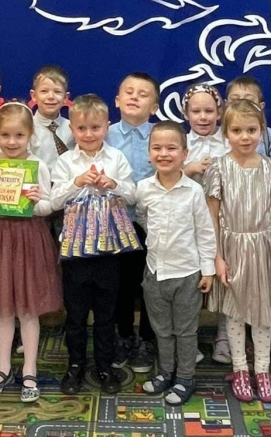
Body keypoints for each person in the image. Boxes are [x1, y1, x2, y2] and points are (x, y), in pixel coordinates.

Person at [0, 103, 61, 402]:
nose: (12, 141)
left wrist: (36, 201)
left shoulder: (38, 166)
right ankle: (3, 366)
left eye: (19, 135)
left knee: (28, 309)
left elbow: (47, 207)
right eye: (5, 135)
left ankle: (30, 368)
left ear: (31, 136)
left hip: (29, 239)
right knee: (3, 308)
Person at [49, 94, 135, 395]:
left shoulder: (116, 158)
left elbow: (133, 195)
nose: (88, 134)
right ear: (72, 129)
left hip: (109, 250)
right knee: (75, 315)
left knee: (105, 314)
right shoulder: (65, 162)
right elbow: (54, 201)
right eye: (82, 128)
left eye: (95, 128)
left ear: (107, 127)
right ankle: (75, 364)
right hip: (75, 251)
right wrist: (77, 183)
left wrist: (114, 184)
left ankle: (105, 365)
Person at [206, 98, 271, 403]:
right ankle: (240, 368)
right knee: (236, 311)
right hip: (232, 247)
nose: (244, 137)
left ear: (262, 130)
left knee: (263, 312)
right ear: (226, 133)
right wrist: (217, 257)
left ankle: (262, 370)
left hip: (264, 247)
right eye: (237, 130)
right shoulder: (218, 168)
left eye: (251, 130)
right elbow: (211, 215)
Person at [136, 121, 216, 405]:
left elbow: (205, 232)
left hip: (187, 274)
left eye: (171, 148)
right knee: (161, 330)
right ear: (149, 153)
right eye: (157, 148)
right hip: (155, 273)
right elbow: (143, 219)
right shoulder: (144, 189)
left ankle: (185, 378)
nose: (164, 154)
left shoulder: (193, 191)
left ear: (184, 154)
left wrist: (208, 270)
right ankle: (166, 372)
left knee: (185, 331)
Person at [105, 71, 160, 372]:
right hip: (117, 221)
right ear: (117, 100)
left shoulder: (162, 136)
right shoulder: (105, 134)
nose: (134, 97)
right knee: (121, 284)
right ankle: (123, 335)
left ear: (155, 106)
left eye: (143, 94)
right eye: (129, 92)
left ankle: (149, 339)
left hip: (156, 223)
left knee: (152, 283)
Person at [224, 76, 271, 167]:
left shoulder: (269, 136)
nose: (242, 105)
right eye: (235, 100)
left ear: (261, 106)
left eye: (249, 101)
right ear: (226, 104)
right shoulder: (220, 135)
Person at [30, 64, 72, 163]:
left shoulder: (73, 128)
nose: (51, 97)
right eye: (44, 91)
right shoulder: (26, 128)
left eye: (57, 92)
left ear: (65, 98)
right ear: (34, 96)